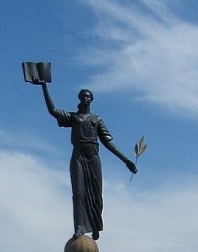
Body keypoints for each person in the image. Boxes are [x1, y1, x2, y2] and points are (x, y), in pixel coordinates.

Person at [40, 83, 137, 239]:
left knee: (97, 194)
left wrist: (126, 160)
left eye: (88, 96)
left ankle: (95, 225)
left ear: (91, 99)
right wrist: (44, 86)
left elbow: (108, 142)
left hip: (93, 157)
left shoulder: (97, 119)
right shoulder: (74, 117)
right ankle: (79, 227)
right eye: (83, 96)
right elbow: (53, 111)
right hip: (78, 156)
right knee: (78, 194)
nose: (85, 98)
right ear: (79, 98)